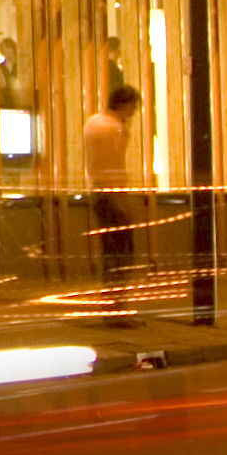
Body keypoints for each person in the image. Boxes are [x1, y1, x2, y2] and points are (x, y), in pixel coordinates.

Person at [84, 79, 144, 319]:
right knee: (123, 253)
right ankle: (119, 304)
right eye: (133, 108)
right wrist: (122, 200)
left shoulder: (92, 123)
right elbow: (115, 164)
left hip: (97, 192)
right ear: (125, 105)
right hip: (113, 193)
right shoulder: (116, 129)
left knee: (109, 252)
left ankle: (110, 301)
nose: (133, 114)